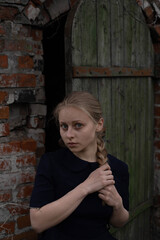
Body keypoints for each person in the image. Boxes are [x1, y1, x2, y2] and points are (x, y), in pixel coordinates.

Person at [30, 91, 129, 240]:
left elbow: (119, 223)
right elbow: (38, 222)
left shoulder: (118, 168)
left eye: (78, 125)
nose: (69, 134)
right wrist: (86, 187)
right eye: (64, 126)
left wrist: (118, 205)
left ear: (99, 124)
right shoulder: (51, 163)